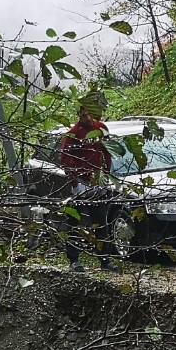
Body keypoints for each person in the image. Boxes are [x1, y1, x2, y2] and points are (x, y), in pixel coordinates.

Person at [59, 89, 118, 272]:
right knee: (75, 223)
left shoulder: (100, 129)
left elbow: (108, 152)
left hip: (98, 182)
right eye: (82, 114)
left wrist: (106, 173)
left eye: (87, 113)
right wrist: (75, 181)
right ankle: (74, 260)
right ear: (78, 115)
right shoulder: (73, 134)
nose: (85, 117)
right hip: (81, 184)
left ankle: (105, 259)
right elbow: (65, 159)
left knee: (101, 222)